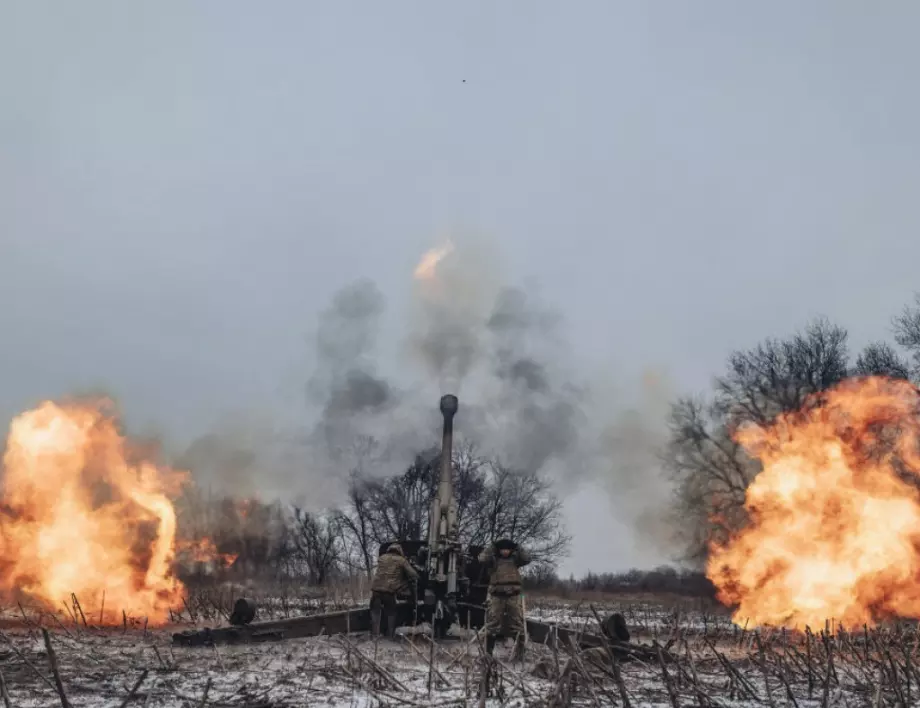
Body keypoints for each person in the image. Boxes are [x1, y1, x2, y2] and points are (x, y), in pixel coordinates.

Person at [478, 538, 531, 660]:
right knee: (492, 624)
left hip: (513, 596)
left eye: (508, 549)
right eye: (503, 549)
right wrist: (492, 546)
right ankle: (488, 653)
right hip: (497, 596)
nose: (505, 552)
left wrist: (518, 546)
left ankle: (520, 653)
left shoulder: (515, 559)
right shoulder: (494, 559)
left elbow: (527, 558)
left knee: (517, 624)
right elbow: (481, 558)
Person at [370, 543, 418, 639]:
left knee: (375, 612)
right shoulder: (402, 560)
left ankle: (374, 635)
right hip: (389, 592)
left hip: (376, 590)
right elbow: (413, 575)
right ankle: (391, 635)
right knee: (391, 613)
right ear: (399, 551)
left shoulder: (382, 558)